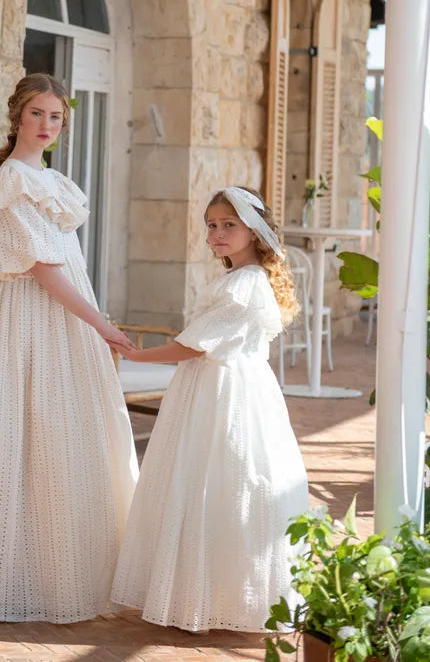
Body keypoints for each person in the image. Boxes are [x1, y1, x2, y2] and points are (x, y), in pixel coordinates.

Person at [0, 73, 138, 624]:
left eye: (56, 116)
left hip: (66, 322)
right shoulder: (6, 182)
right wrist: (101, 324)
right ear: (17, 116)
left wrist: (90, 321)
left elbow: (69, 267)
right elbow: (41, 271)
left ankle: (57, 572)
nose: (46, 125)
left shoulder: (54, 182)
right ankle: (0, 576)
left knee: (63, 443)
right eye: (37, 113)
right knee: (12, 441)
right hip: (27, 323)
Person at [111, 187, 308, 633]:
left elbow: (192, 346)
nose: (217, 234)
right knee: (207, 482)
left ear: (254, 230)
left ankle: (223, 596)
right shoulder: (237, 277)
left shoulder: (245, 284)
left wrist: (134, 354)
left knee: (225, 481)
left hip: (228, 392)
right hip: (214, 386)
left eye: (228, 225)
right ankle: (201, 590)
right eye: (212, 225)